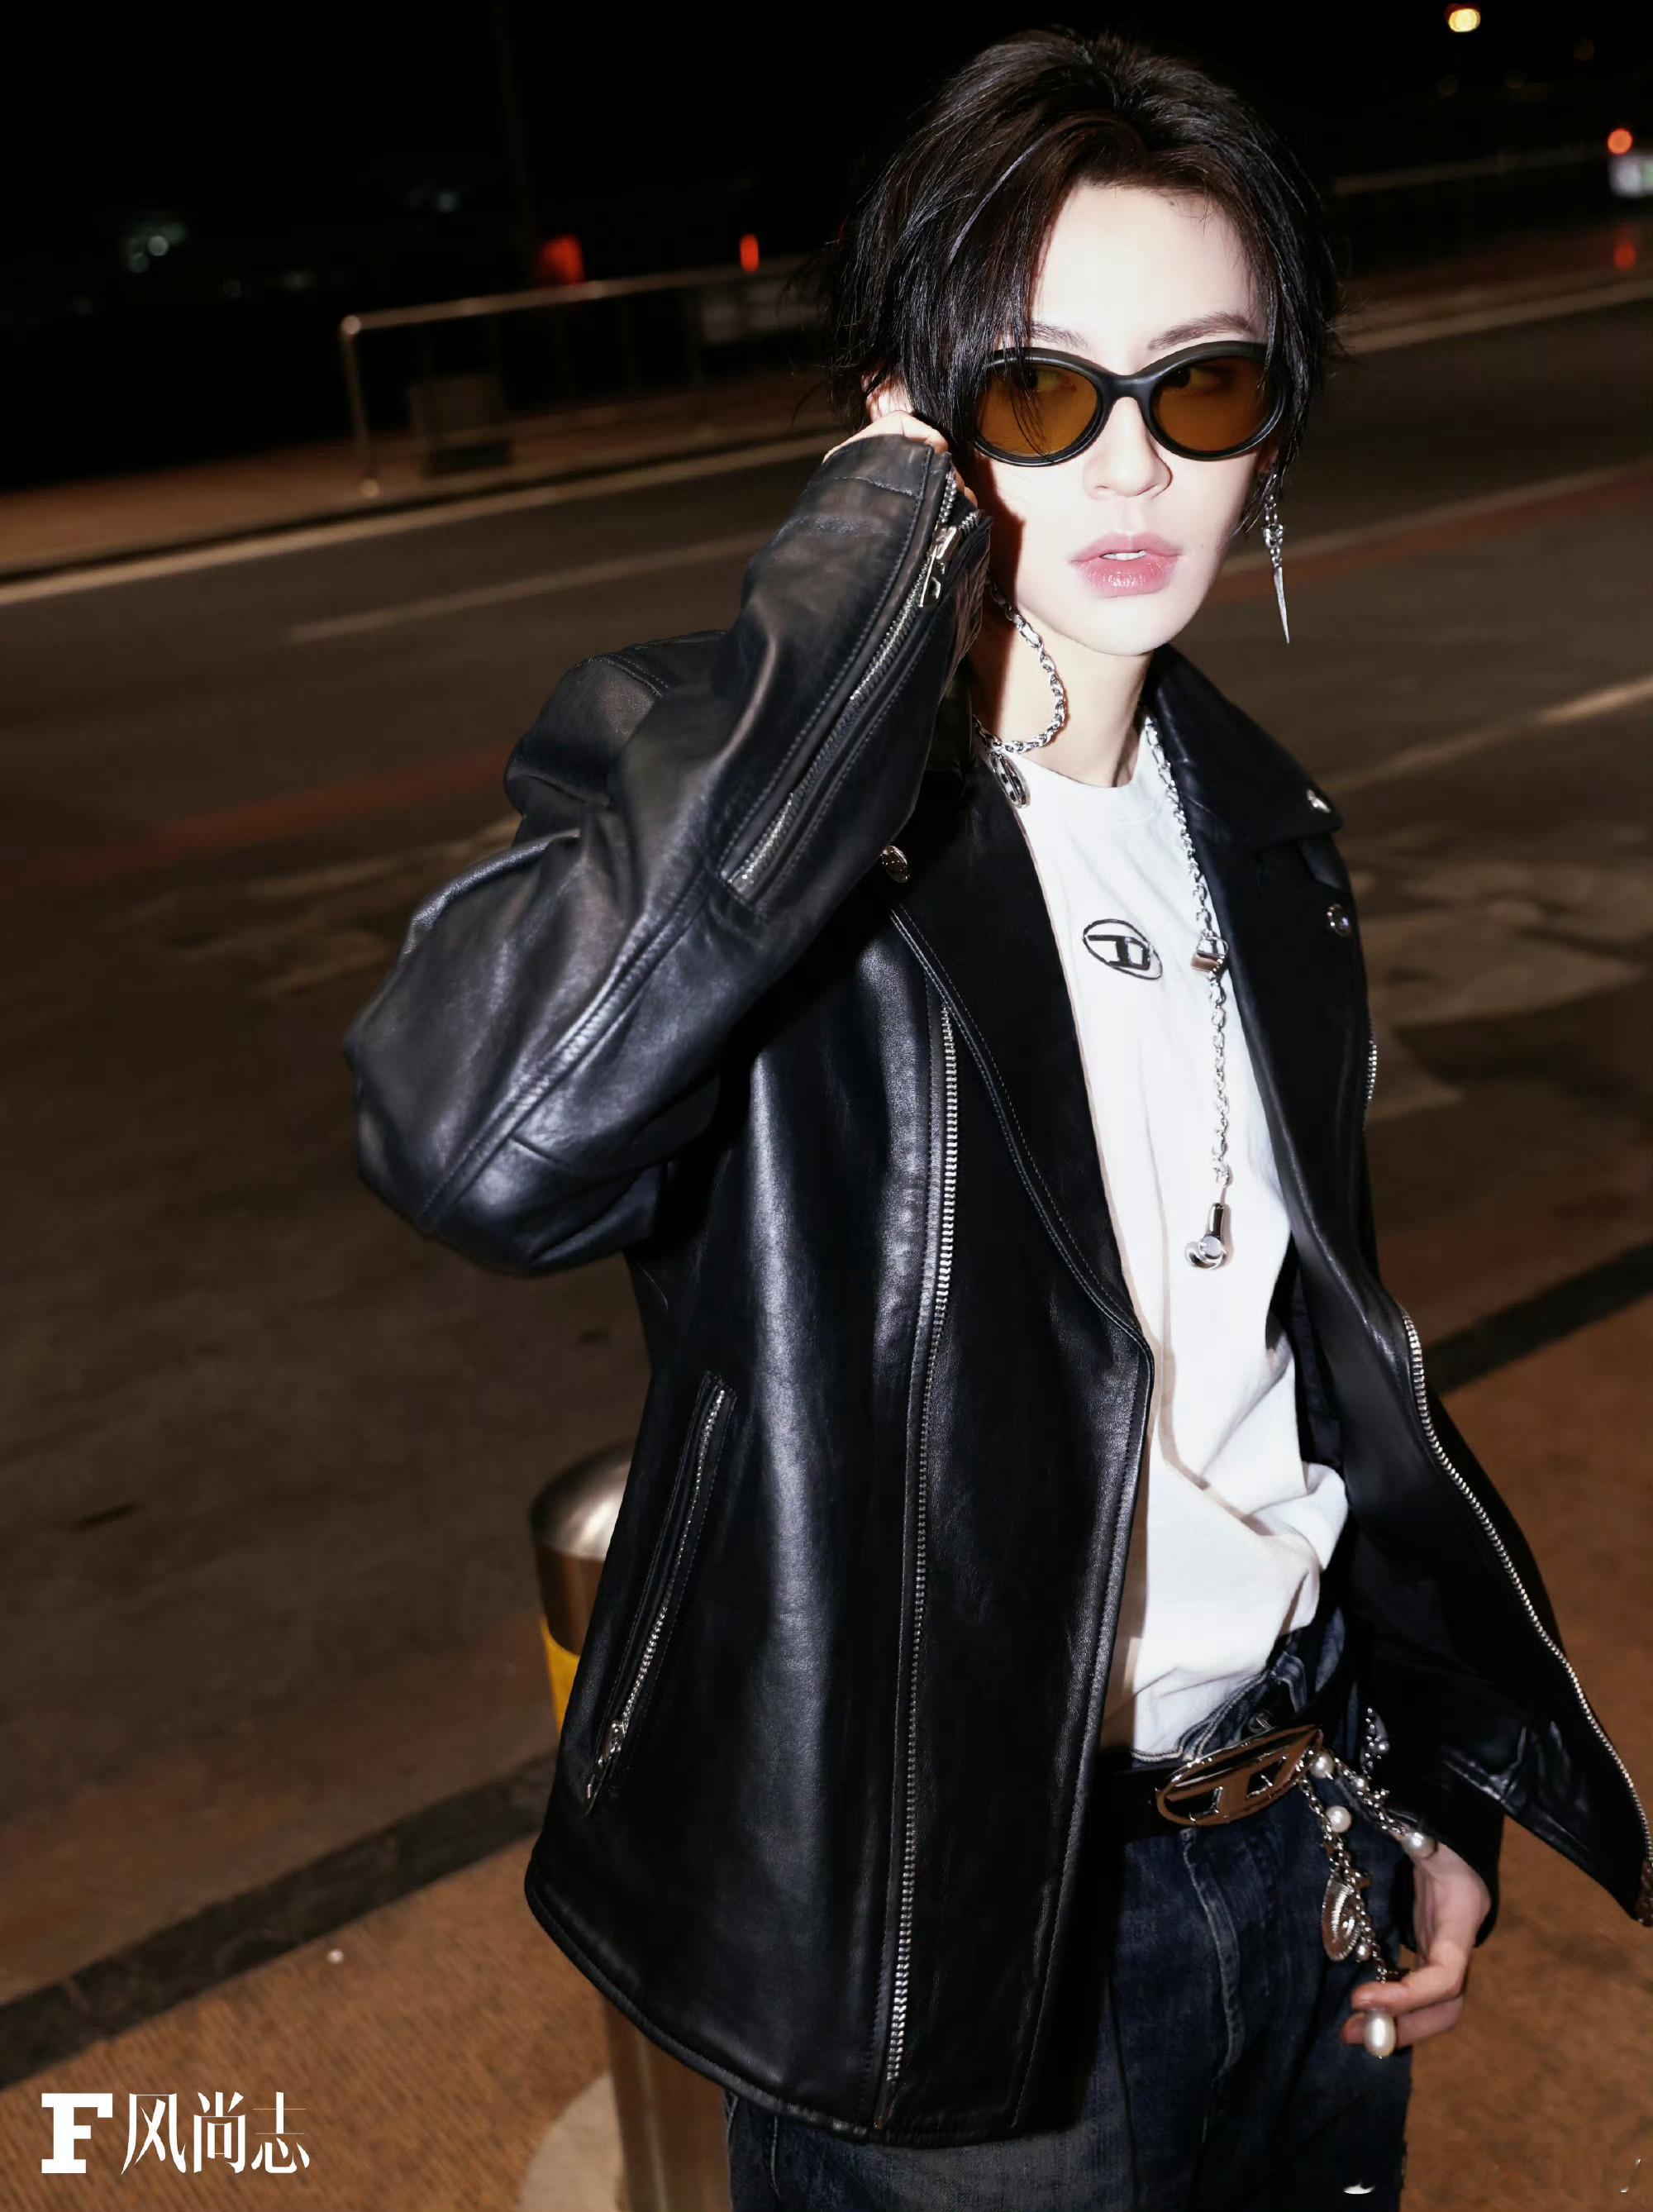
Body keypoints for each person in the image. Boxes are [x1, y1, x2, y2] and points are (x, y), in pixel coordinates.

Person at [342, 27, 1651, 2211]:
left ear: (1271, 427)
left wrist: (1419, 1769)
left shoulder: (1264, 825)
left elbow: (1296, 1372)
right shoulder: (753, 798)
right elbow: (479, 1140)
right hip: (956, 1954)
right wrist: (864, 568)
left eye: (1201, 388)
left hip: (1300, 1856)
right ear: (913, 420)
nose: (1131, 467)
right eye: (1038, 394)